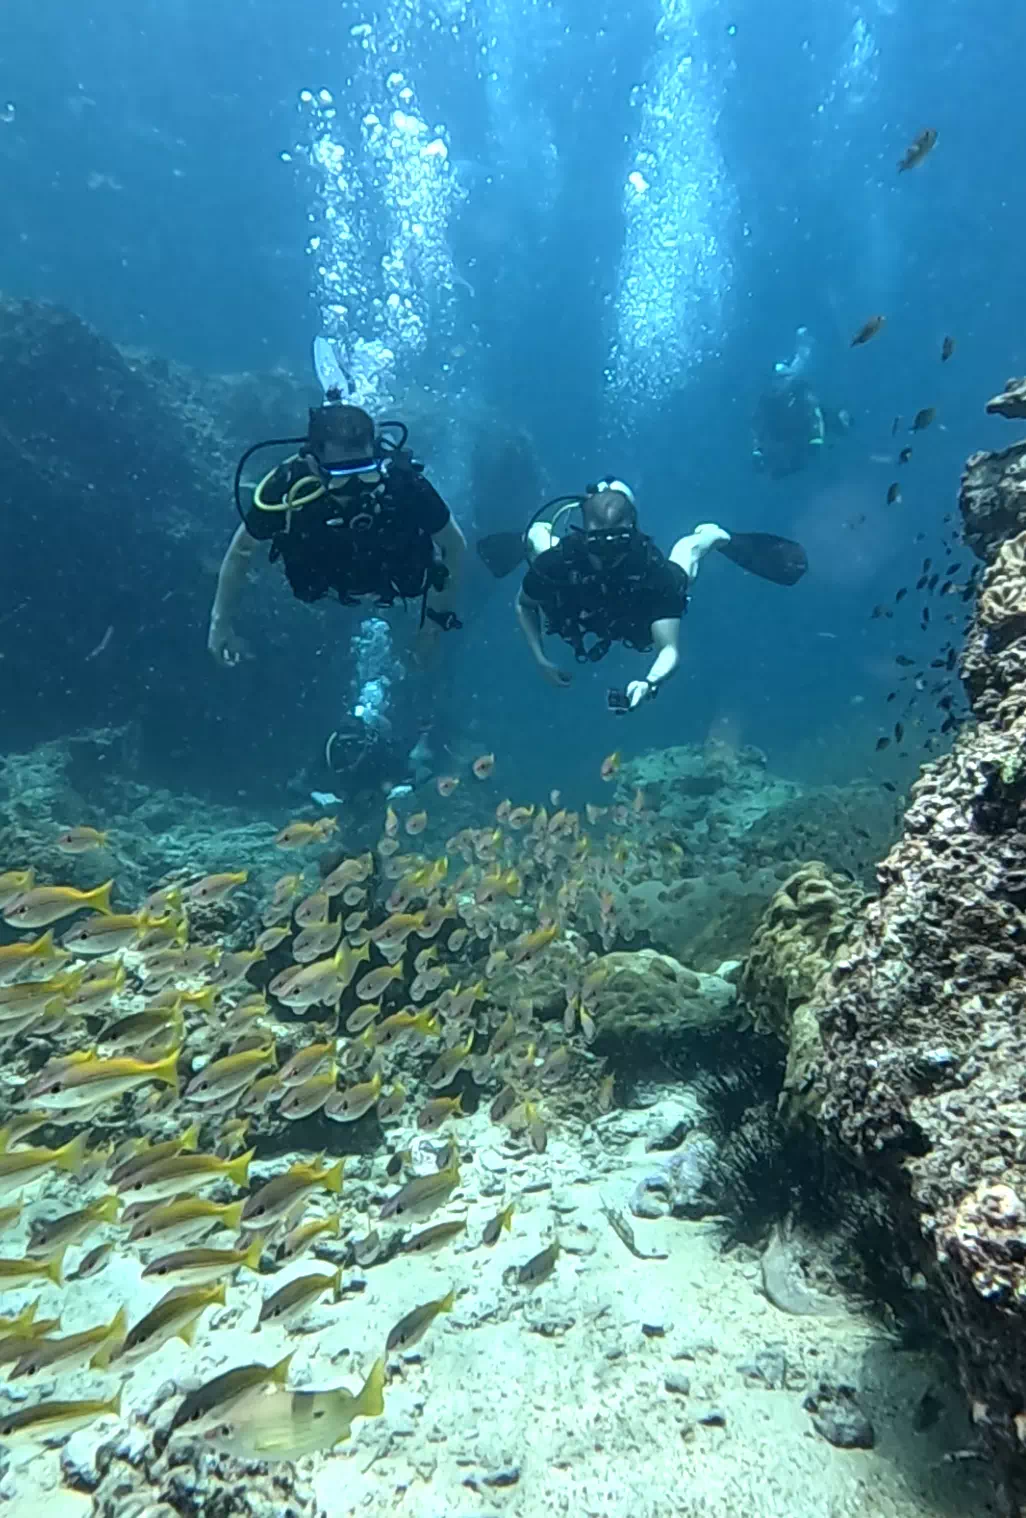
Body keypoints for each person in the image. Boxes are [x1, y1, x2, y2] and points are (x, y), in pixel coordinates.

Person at [207, 368, 466, 670]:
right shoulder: (288, 484)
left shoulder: (403, 482)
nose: (355, 489)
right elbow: (242, 551)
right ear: (313, 466)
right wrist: (219, 624)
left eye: (365, 474)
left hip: (395, 579)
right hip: (324, 582)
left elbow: (454, 545)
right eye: (342, 477)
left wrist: (432, 625)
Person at [508, 479, 806, 711]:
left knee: (686, 560)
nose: (609, 558)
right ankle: (536, 531)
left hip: (635, 606)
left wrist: (649, 682)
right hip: (576, 593)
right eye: (600, 546)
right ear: (584, 537)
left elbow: (669, 649)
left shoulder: (653, 571)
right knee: (540, 543)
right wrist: (540, 657)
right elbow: (524, 604)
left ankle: (710, 536)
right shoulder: (559, 561)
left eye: (618, 546)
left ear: (632, 538)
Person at [751, 326, 851, 480]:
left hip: (805, 428)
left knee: (839, 423)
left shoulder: (799, 391)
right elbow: (758, 426)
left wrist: (816, 439)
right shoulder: (766, 401)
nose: (778, 386)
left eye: (782, 380)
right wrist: (757, 451)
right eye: (776, 381)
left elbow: (814, 412)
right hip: (790, 434)